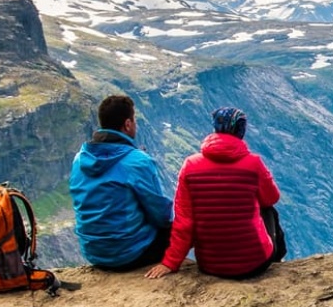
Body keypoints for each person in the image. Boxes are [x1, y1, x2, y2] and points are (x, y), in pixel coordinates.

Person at [147, 107, 287, 280]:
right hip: (255, 264)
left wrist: (170, 262)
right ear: (240, 131)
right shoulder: (253, 163)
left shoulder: (190, 165)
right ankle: (278, 261)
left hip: (210, 265)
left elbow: (184, 221)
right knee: (269, 210)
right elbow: (272, 197)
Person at [68, 95, 174, 272]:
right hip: (129, 254)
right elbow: (161, 214)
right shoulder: (137, 161)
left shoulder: (79, 159)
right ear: (127, 124)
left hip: (93, 252)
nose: (136, 125)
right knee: (182, 227)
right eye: (135, 121)